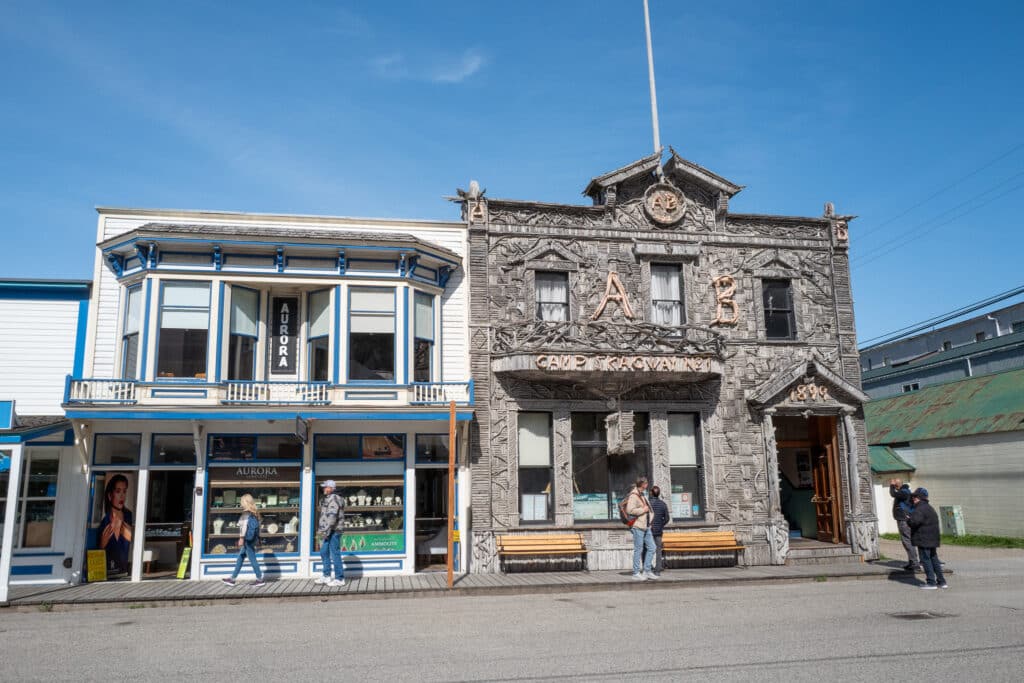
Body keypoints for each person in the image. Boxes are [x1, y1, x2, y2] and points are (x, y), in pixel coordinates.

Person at [906, 487, 947, 590]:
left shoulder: (919, 509)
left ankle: (931, 582)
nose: (913, 498)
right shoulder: (929, 507)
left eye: (915, 497)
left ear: (920, 498)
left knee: (925, 560)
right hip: (932, 538)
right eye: (913, 497)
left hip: (923, 538)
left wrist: (908, 519)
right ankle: (941, 582)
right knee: (934, 560)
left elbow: (914, 522)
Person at [222, 493, 265, 587]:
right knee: (241, 557)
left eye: (242, 502)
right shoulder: (254, 513)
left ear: (246, 502)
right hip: (251, 539)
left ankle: (260, 579)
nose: (241, 504)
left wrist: (241, 538)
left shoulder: (246, 513)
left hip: (247, 540)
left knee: (252, 559)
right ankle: (232, 579)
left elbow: (244, 528)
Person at [97, 474, 134, 576]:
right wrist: (102, 544)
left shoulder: (129, 516)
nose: (122, 496)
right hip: (108, 571)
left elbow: (133, 540)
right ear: (110, 495)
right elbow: (98, 551)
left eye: (124, 491)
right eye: (118, 491)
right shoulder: (104, 520)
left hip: (124, 570)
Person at [625, 476, 657, 581]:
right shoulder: (634, 495)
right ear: (642, 484)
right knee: (638, 549)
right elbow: (630, 510)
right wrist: (643, 510)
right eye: (646, 483)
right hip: (638, 526)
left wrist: (650, 519)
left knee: (652, 547)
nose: (647, 485)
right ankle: (636, 572)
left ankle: (647, 570)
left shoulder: (642, 494)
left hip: (646, 526)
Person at [316, 479, 346, 587]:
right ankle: (326, 575)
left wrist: (325, 530)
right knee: (324, 551)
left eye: (325, 487)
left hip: (333, 530)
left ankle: (339, 578)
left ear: (331, 488)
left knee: (334, 553)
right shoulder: (328, 498)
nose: (324, 488)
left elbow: (332, 517)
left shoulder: (334, 498)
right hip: (326, 530)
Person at [889, 478, 920, 571]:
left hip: (903, 520)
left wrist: (891, 486)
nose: (894, 486)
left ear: (897, 485)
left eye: (895, 484)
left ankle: (915, 563)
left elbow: (893, 494)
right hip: (903, 519)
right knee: (906, 541)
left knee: (907, 541)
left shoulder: (904, 492)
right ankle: (912, 562)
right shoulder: (904, 492)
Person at [648, 485, 670, 575]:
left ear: (651, 493)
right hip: (659, 531)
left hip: (649, 530)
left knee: (647, 549)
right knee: (658, 550)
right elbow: (667, 518)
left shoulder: (648, 504)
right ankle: (657, 571)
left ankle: (648, 567)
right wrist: (661, 524)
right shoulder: (663, 504)